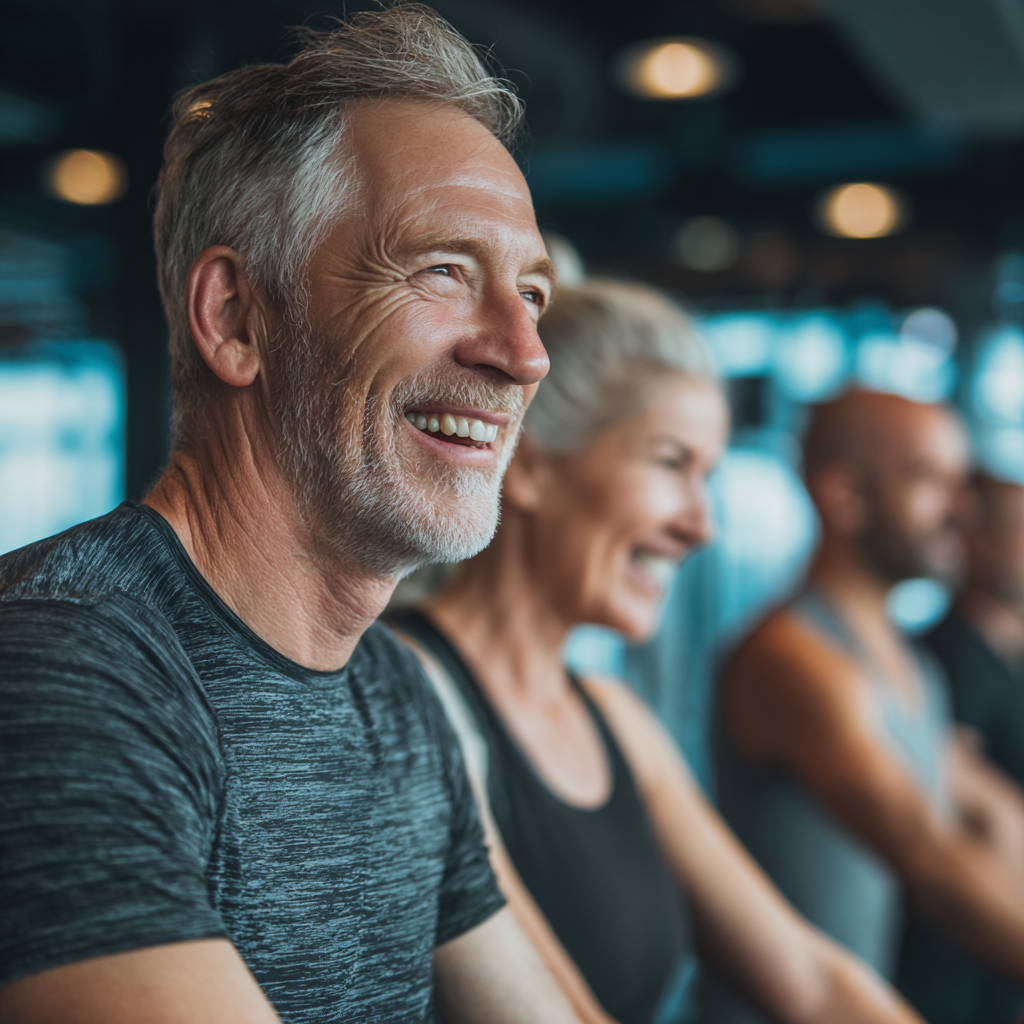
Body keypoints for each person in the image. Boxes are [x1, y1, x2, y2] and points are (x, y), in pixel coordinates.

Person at [0, 7, 582, 1023]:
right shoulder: (61, 670)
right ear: (236, 317)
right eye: (443, 269)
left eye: (530, 294)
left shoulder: (393, 695)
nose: (524, 354)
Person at [389, 281, 923, 1024]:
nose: (702, 525)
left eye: (709, 478)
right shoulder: (407, 690)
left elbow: (811, 978)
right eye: (671, 464)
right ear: (533, 464)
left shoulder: (616, 718)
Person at [716, 390, 1024, 1022]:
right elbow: (930, 860)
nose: (962, 510)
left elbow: (991, 814)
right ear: (845, 496)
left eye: (959, 484)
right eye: (929, 480)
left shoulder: (907, 661)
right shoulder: (795, 659)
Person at [913, 471, 1024, 1022]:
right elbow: (959, 827)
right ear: (975, 540)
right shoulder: (947, 660)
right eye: (1019, 530)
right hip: (966, 978)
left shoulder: (1008, 663)